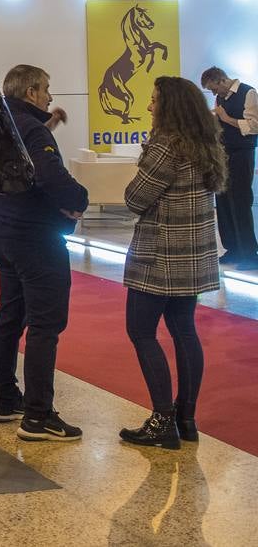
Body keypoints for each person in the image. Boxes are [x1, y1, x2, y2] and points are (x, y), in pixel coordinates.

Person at [0, 64, 89, 442]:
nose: (49, 96)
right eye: (45, 89)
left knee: (10, 314)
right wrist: (78, 200)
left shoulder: (0, 125)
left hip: (4, 235)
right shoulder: (30, 128)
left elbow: (23, 165)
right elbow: (47, 174)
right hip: (36, 240)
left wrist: (48, 125)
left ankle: (5, 398)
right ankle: (38, 415)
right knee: (45, 325)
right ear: (30, 92)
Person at [119, 77, 224, 449]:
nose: (149, 107)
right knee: (184, 331)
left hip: (159, 256)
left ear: (171, 107)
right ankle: (186, 417)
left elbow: (135, 198)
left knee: (141, 331)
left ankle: (162, 419)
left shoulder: (165, 146)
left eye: (154, 100)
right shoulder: (205, 144)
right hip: (192, 256)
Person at [198, 66, 257, 269]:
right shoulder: (220, 100)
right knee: (222, 200)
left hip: (242, 153)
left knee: (239, 200)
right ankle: (232, 249)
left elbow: (254, 126)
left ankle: (249, 252)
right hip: (223, 153)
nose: (215, 93)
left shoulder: (248, 93)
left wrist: (225, 119)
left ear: (222, 80)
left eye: (214, 88)